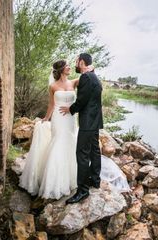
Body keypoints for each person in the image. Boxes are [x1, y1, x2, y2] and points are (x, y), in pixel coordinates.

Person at [19, 56, 130, 201]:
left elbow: (88, 80)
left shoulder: (75, 81)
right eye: (67, 65)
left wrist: (91, 68)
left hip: (70, 119)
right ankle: (56, 180)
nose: (70, 66)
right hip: (59, 118)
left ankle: (75, 179)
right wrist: (46, 118)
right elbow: (51, 104)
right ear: (60, 70)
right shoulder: (52, 87)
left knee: (74, 146)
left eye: (74, 63)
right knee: (59, 142)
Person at [60, 53, 103, 204]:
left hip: (87, 123)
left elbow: (82, 100)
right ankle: (95, 180)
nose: (75, 64)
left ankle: (83, 190)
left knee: (82, 154)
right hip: (95, 122)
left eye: (77, 61)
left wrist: (70, 109)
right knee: (94, 150)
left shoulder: (86, 77)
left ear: (82, 62)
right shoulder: (94, 76)